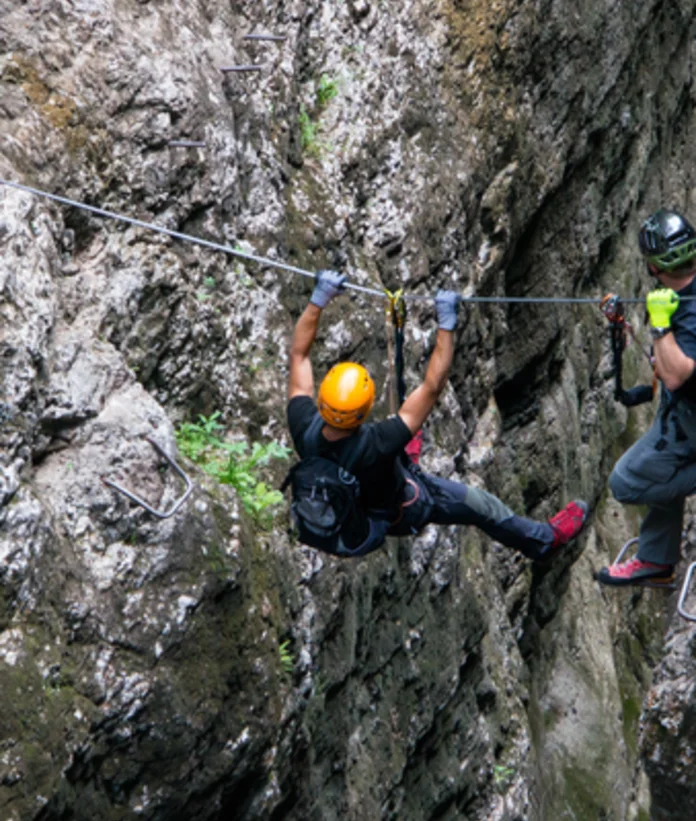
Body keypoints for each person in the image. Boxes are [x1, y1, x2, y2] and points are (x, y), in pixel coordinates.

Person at [286, 270, 588, 560]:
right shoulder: (379, 442)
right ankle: (543, 541)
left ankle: (406, 461)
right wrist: (447, 324)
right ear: (364, 411)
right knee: (481, 505)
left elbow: (299, 355)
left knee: (403, 434)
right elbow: (432, 387)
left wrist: (318, 300)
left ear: (322, 399)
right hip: (399, 511)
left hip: (350, 505)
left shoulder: (303, 425)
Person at [596, 208, 696, 586]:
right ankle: (656, 559)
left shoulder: (685, 310)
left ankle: (655, 560)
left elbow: (674, 374)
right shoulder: (679, 295)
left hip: (689, 420)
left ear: (653, 267)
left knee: (627, 482)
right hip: (681, 417)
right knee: (657, 465)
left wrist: (658, 324)